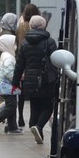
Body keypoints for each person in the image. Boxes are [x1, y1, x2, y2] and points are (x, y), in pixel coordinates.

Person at [19, 15, 58, 143]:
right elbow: (55, 61)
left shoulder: (25, 43)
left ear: (30, 26)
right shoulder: (50, 42)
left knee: (35, 104)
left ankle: (37, 131)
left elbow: (19, 64)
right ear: (44, 26)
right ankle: (39, 126)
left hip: (30, 80)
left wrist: (15, 82)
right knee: (48, 106)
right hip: (46, 80)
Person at [0, 34, 21, 134]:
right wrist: (17, 78)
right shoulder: (9, 57)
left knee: (11, 106)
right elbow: (8, 72)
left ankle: (12, 127)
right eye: (13, 43)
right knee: (11, 107)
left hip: (5, 86)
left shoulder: (4, 55)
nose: (15, 45)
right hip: (8, 86)